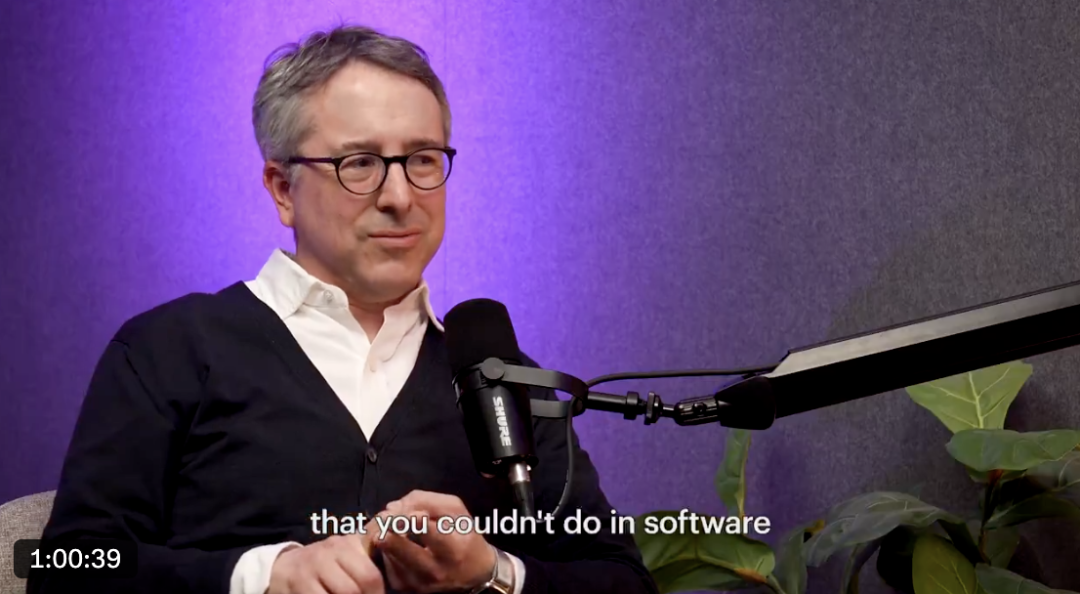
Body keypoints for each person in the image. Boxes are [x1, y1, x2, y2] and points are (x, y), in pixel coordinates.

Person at [27, 24, 657, 594]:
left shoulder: (502, 380)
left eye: (422, 159)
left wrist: (492, 573)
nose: (400, 196)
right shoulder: (169, 349)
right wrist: (263, 576)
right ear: (282, 188)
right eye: (361, 163)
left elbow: (624, 582)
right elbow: (65, 566)